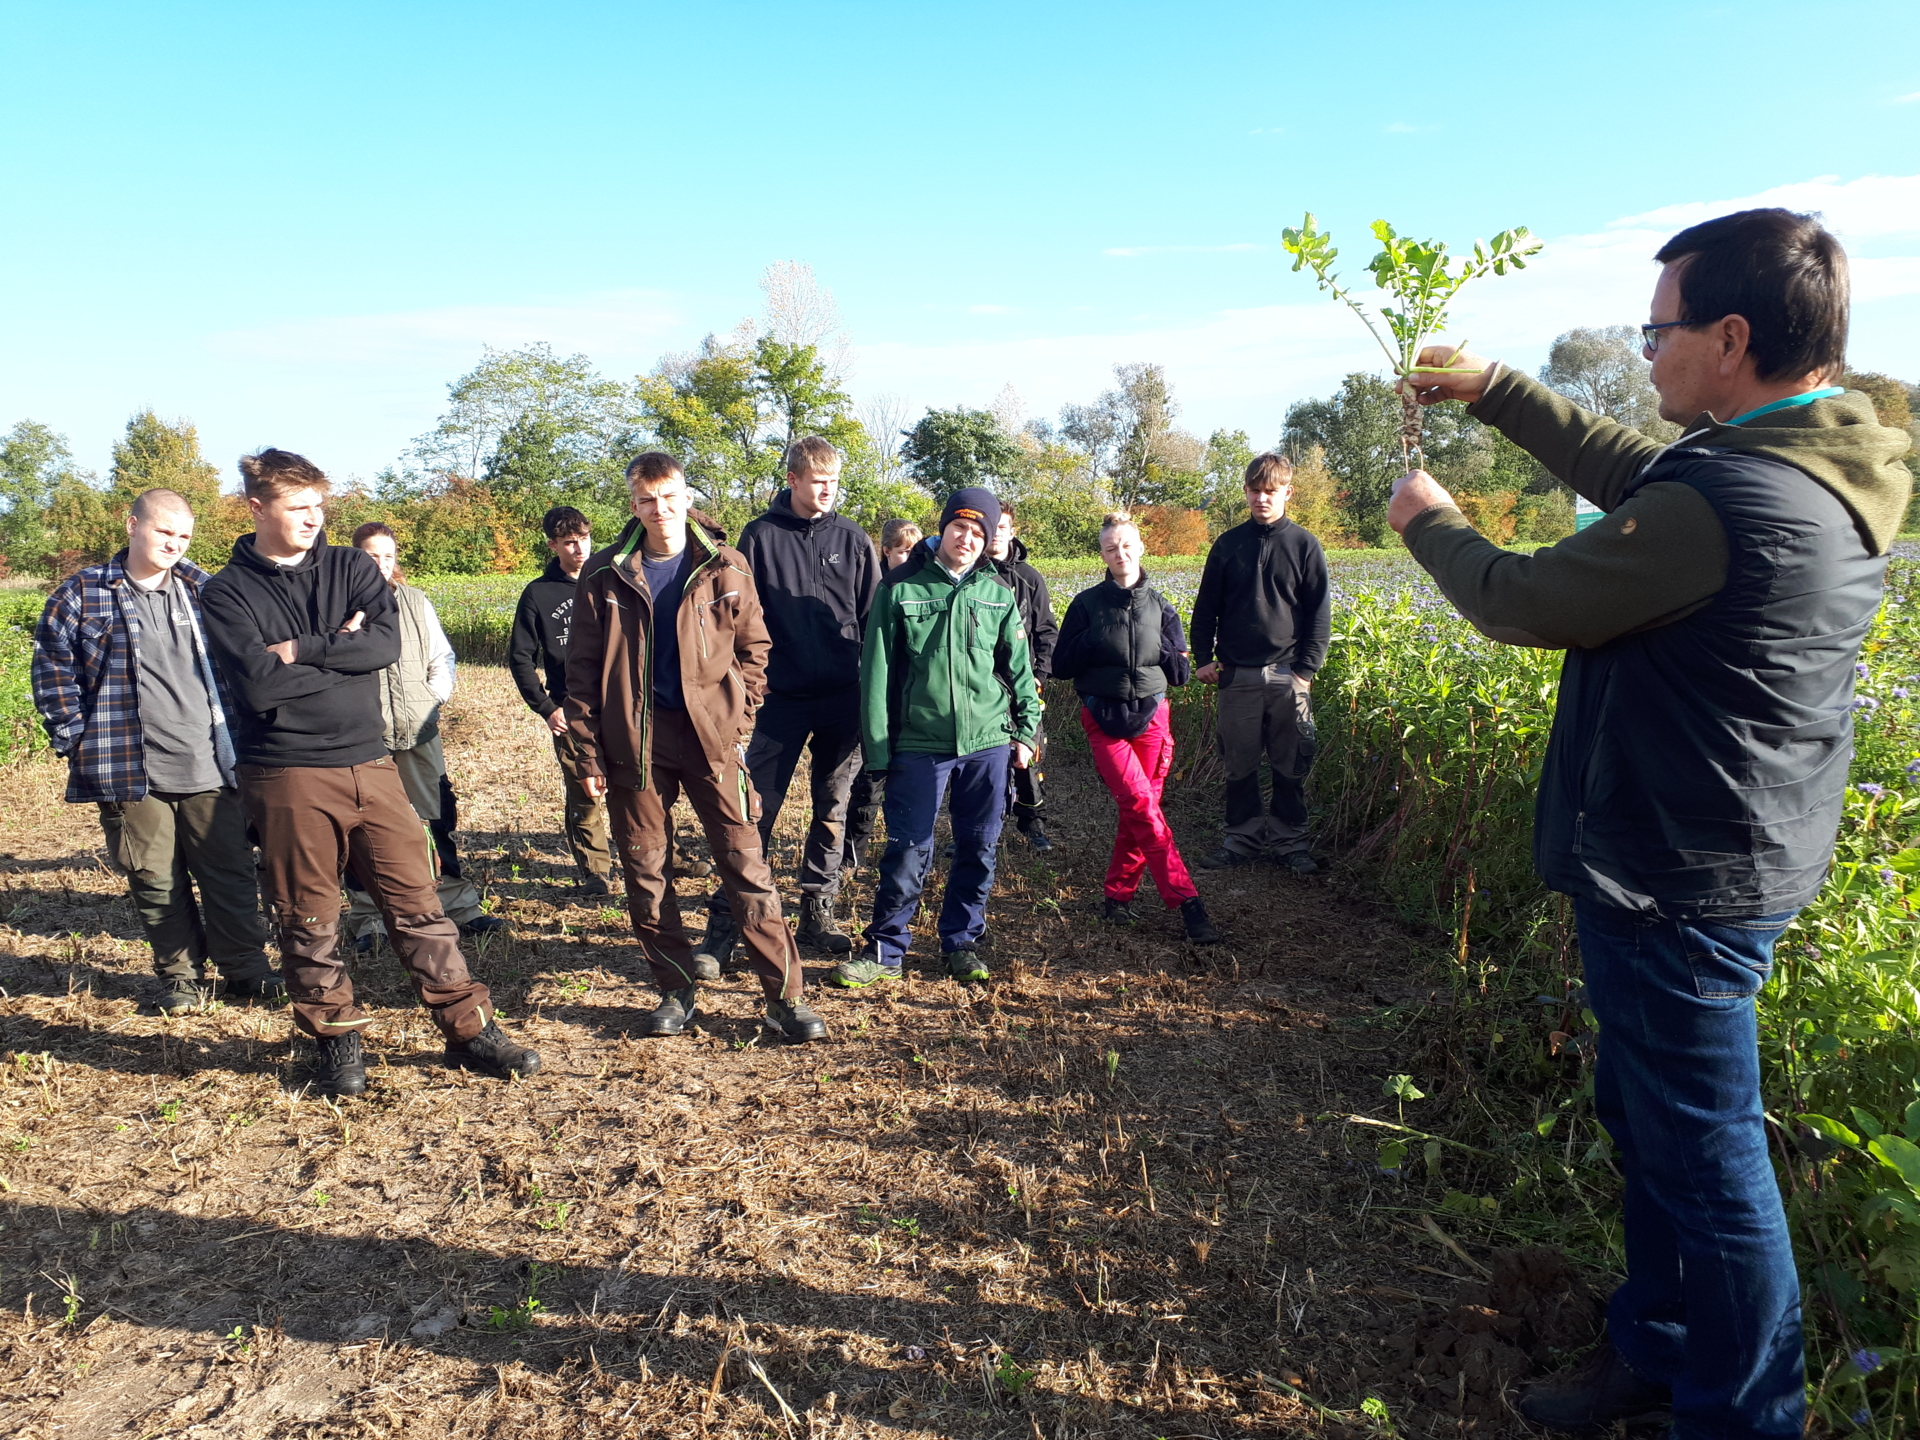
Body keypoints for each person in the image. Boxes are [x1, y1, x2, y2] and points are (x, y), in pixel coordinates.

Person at [1389, 208, 1913, 1439]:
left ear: (1730, 338)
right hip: (1709, 856)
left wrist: (1431, 525)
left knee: (1711, 1166)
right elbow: (1638, 471)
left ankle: (1739, 1417)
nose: (1645, 352)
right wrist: (1495, 389)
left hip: (1683, 876)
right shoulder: (1794, 464)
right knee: (1660, 1128)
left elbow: (1527, 598)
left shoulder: (1735, 500)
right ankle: (1663, 1353)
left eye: (1659, 328)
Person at [200, 448, 539, 1097]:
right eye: (297, 507)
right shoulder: (226, 591)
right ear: (256, 507)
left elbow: (384, 647)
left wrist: (304, 647)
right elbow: (259, 685)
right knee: (308, 914)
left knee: (418, 901)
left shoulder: (351, 565)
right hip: (287, 773)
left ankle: (469, 1031)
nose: (311, 518)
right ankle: (336, 1043)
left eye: (318, 505)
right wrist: (342, 647)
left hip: (371, 760)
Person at [565, 452, 824, 1043]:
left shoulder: (724, 567)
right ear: (633, 504)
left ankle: (784, 999)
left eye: (669, 497)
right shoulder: (605, 574)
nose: (660, 510)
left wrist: (738, 721)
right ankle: (675, 988)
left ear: (686, 498)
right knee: (646, 869)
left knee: (745, 864)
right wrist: (587, 754)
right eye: (647, 499)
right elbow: (580, 671)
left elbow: (755, 651)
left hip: (711, 740)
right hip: (637, 742)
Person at [31, 489, 281, 1015]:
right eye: (164, 531)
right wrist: (77, 741)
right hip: (128, 765)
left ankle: (246, 972)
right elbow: (54, 674)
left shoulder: (203, 589)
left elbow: (240, 666)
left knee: (230, 872)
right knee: (154, 877)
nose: (174, 544)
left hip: (210, 762)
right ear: (132, 525)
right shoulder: (81, 594)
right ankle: (180, 978)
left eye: (184, 535)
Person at [831, 488, 1039, 988]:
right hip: (920, 744)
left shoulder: (997, 593)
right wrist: (879, 752)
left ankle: (961, 942)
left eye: (978, 532)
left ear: (989, 539)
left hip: (988, 742)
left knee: (979, 845)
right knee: (907, 847)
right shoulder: (900, 588)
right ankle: (885, 949)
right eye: (959, 528)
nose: (966, 539)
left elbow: (1020, 671)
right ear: (943, 529)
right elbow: (876, 676)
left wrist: (1026, 732)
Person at [700, 437, 881, 965]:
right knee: (755, 810)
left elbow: (872, 620)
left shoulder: (852, 539)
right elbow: (738, 620)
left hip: (842, 699)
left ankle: (817, 910)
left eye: (834, 483)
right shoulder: (760, 537)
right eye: (817, 482)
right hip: (778, 700)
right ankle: (726, 921)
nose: (827, 491)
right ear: (794, 481)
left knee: (832, 806)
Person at [1052, 511, 1219, 944]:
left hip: (1151, 719)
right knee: (1143, 808)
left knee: (1140, 812)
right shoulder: (1086, 605)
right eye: (1111, 548)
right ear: (1103, 555)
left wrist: (1165, 648)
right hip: (1103, 718)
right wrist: (1093, 637)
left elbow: (1180, 675)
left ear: (1141, 547)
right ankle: (1187, 901)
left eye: (1127, 545)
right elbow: (1061, 665)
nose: (1120, 553)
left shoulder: (1162, 606)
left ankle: (1118, 897)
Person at [342, 523, 504, 948]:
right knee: (362, 832)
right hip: (362, 741)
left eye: (388, 556)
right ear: (354, 558)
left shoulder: (415, 602)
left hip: (418, 733)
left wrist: (433, 699)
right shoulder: (334, 606)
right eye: (371, 556)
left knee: (437, 820)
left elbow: (441, 657)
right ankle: (369, 920)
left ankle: (458, 907)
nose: (381, 564)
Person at [1188, 453, 1330, 872]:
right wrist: (1202, 659)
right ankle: (1241, 841)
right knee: (1239, 764)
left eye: (1270, 491)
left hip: (1289, 675)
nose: (1261, 499)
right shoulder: (1228, 545)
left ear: (1288, 492)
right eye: (1254, 491)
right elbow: (1205, 609)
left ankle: (1291, 844)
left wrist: (1305, 671)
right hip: (1237, 675)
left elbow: (1319, 614)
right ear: (1246, 493)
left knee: (1291, 764)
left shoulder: (1304, 545)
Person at [509, 506, 616, 895]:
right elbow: (520, 657)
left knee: (642, 788)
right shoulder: (538, 594)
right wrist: (546, 708)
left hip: (621, 704)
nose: (579, 548)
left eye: (584, 538)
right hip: (570, 709)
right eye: (569, 542)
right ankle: (596, 873)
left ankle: (666, 856)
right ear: (553, 544)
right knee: (585, 791)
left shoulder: (609, 580)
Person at [842, 518, 925, 874]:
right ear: (886, 552)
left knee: (908, 791)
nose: (909, 557)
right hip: (876, 702)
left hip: (911, 710)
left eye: (914, 550)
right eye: (903, 550)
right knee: (868, 785)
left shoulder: (925, 589)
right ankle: (850, 858)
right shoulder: (877, 591)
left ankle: (901, 858)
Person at [987, 501, 1058, 851]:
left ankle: (1032, 824)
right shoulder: (970, 574)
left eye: (1003, 527)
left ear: (1012, 532)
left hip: (1023, 685)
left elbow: (1046, 632)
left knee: (1027, 757)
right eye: (991, 526)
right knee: (980, 763)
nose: (996, 533)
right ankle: (977, 828)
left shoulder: (1029, 578)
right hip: (982, 687)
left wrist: (1038, 676)